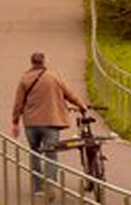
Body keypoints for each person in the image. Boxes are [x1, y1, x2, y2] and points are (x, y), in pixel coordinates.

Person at [11, 51, 87, 196]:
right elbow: (69, 94)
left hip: (31, 124)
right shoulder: (54, 77)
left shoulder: (24, 79)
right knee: (51, 154)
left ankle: (38, 188)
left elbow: (18, 103)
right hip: (51, 122)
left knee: (35, 153)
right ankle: (51, 183)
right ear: (44, 61)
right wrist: (81, 105)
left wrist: (15, 122)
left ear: (32, 62)